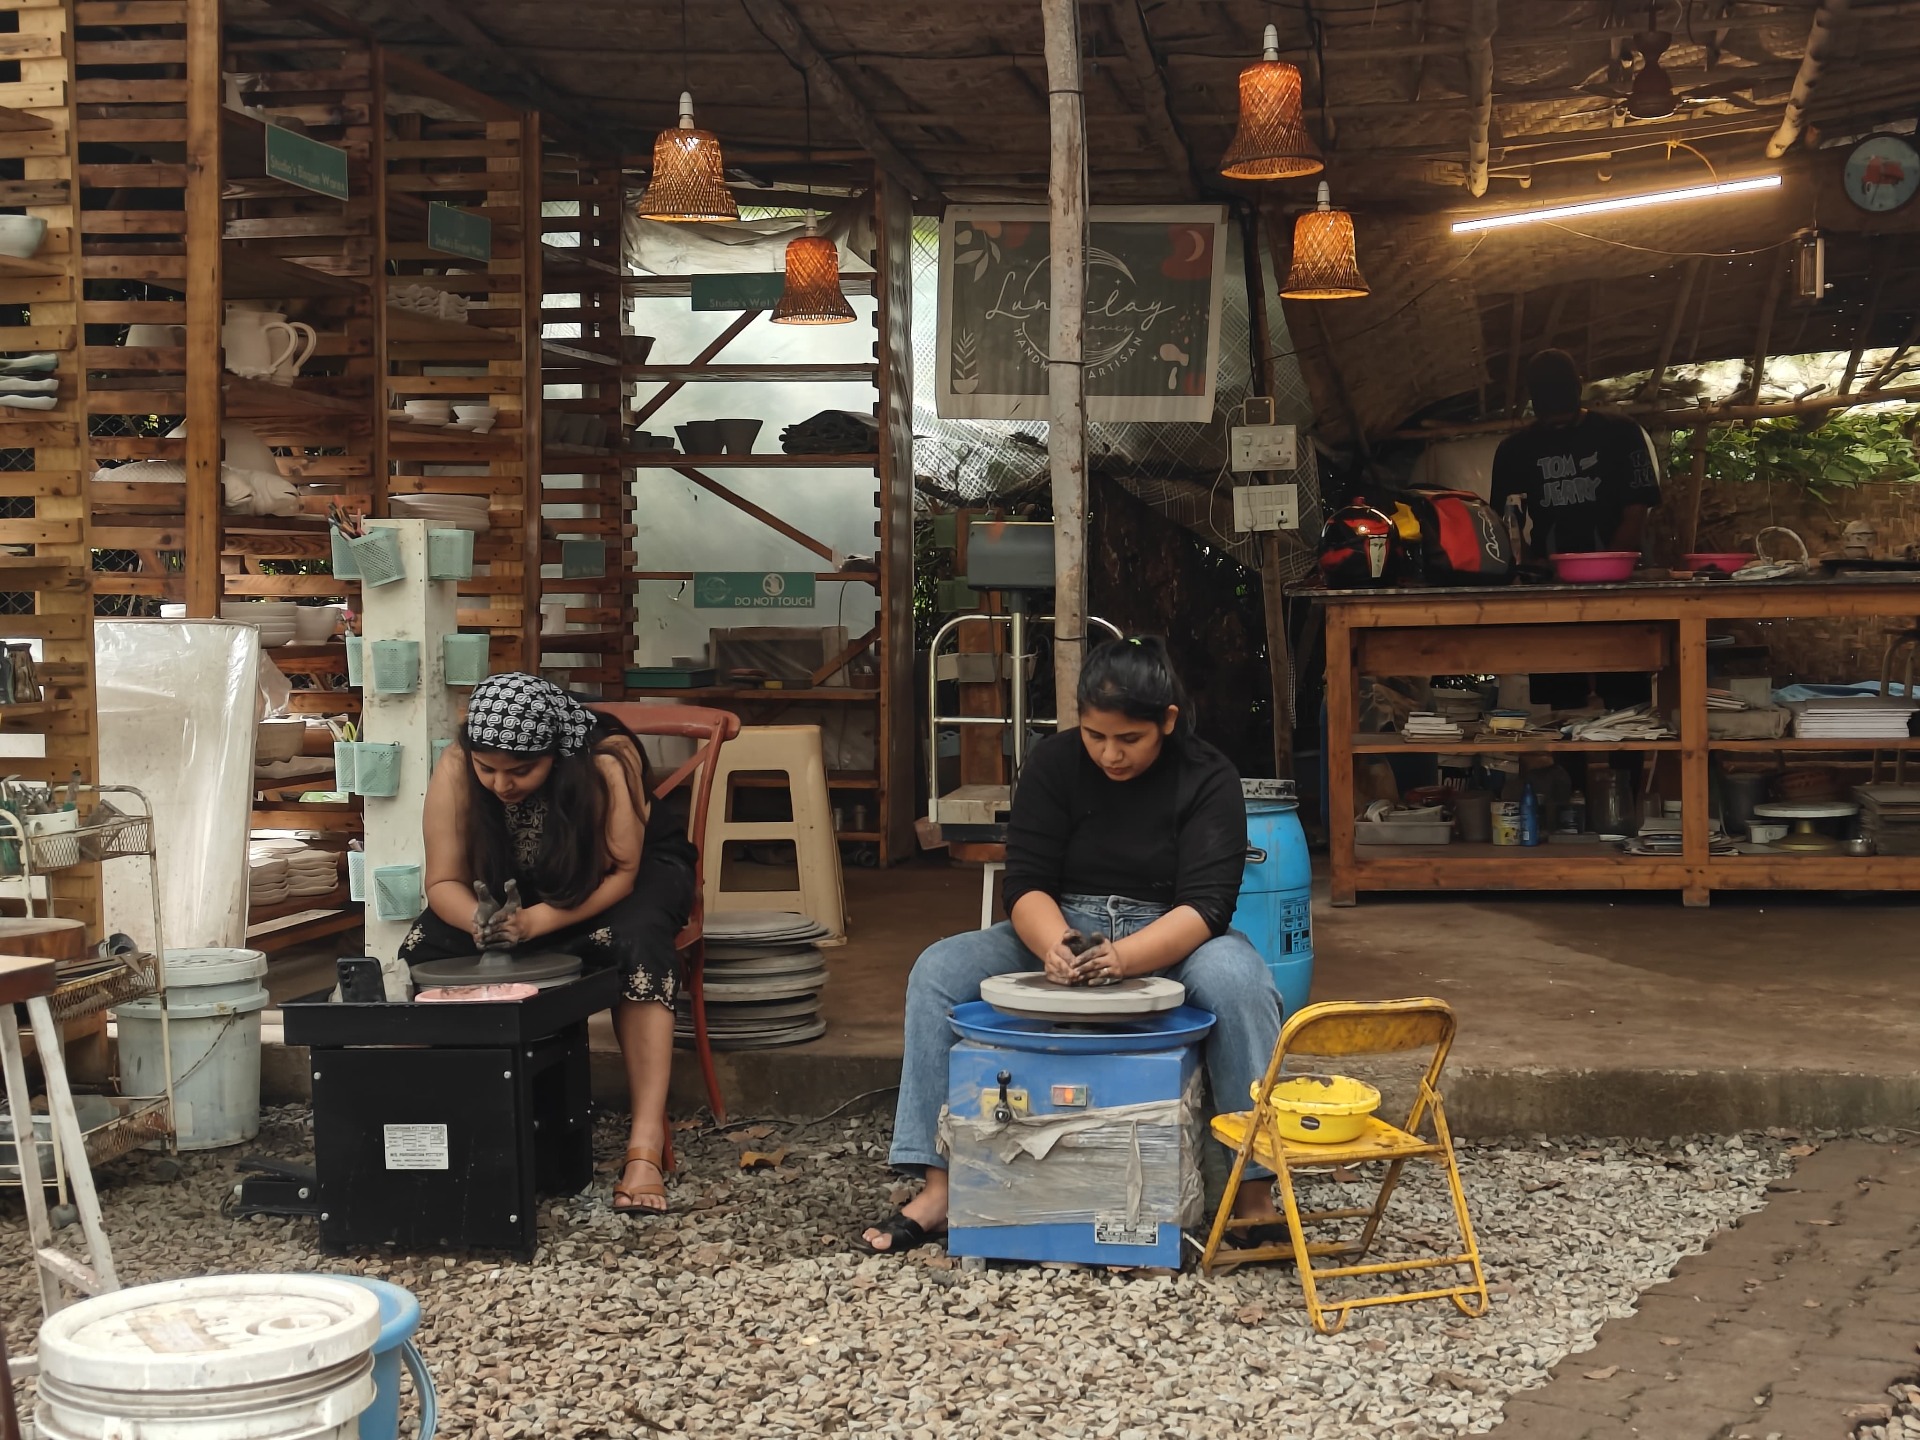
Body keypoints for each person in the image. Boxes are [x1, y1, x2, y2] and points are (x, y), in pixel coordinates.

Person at [860, 637, 1285, 1255]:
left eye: (1128, 740)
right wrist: (1056, 943)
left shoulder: (1207, 776)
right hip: (1062, 922)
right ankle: (941, 1186)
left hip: (1172, 930)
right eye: (1094, 735)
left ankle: (1253, 1192)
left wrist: (1126, 957)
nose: (1109, 754)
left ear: (1167, 721)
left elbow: (1209, 906)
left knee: (1238, 981)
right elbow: (1026, 882)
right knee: (938, 969)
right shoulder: (1055, 763)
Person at [401, 673, 696, 1215]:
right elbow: (443, 881)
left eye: (520, 771)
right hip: (517, 882)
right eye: (486, 769)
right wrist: (479, 920)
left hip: (620, 878)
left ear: (556, 755)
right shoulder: (455, 767)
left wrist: (535, 923)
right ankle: (458, 1121)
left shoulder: (605, 761)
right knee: (427, 944)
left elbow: (623, 872)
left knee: (635, 943)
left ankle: (645, 1145)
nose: (500, 785)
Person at [1491, 348, 1662, 560]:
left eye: (1563, 412)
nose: (1558, 424)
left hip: (1619, 570)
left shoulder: (1621, 433)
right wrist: (1533, 570)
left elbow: (1637, 512)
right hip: (1549, 576)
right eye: (1551, 418)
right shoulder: (1514, 450)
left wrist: (1607, 565)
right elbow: (1508, 524)